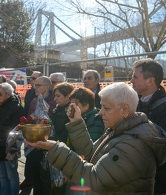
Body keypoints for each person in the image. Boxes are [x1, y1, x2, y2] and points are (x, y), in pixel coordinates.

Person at [25, 82, 166, 195]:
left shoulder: (133, 144)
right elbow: (92, 152)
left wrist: (54, 148)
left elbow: (94, 178)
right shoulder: (120, 130)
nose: (100, 113)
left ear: (124, 109)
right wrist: (76, 123)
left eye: (106, 108)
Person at [131, 58, 166, 195]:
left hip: (158, 182)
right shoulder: (134, 103)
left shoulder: (163, 107)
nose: (131, 80)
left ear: (150, 80)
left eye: (135, 76)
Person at [21, 76, 56, 194]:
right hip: (33, 144)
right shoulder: (35, 100)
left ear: (47, 87)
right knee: (35, 176)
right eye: (35, 85)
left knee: (44, 179)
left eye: (38, 85)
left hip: (46, 144)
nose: (34, 87)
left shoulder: (54, 100)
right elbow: (30, 118)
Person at [47, 82, 74, 195]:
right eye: (55, 96)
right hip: (53, 151)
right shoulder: (56, 109)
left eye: (58, 96)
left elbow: (66, 136)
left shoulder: (71, 113)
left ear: (68, 96)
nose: (55, 99)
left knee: (60, 188)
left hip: (63, 155)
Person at [0, 83, 25, 195]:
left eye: (0, 94)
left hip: (9, 146)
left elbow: (17, 130)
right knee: (2, 175)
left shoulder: (17, 108)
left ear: (8, 95)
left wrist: (13, 149)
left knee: (12, 176)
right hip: (0, 145)